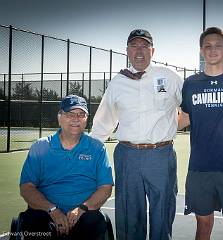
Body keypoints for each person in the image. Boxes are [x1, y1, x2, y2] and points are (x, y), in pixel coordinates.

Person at [90, 29, 183, 240]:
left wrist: (167, 130)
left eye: (144, 46)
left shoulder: (169, 77)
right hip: (127, 155)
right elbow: (104, 122)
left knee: (162, 212)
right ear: (127, 51)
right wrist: (86, 154)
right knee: (129, 215)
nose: (139, 51)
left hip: (161, 154)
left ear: (153, 50)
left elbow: (188, 109)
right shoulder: (117, 82)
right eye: (134, 46)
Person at [178, 27, 223, 240]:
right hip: (200, 168)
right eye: (207, 46)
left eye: (218, 45)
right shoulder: (191, 84)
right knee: (203, 227)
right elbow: (182, 120)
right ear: (201, 50)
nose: (213, 50)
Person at [19, 94, 113, 240]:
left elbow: (105, 188)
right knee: (36, 226)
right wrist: (52, 210)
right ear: (60, 117)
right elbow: (27, 187)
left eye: (81, 114)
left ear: (86, 119)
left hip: (84, 213)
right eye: (70, 114)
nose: (76, 118)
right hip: (44, 213)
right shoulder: (40, 147)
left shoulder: (97, 148)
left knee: (94, 224)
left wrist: (82, 208)